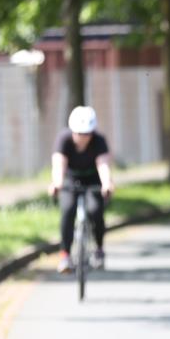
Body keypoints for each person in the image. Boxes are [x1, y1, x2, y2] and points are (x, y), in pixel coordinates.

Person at [49, 106, 114, 274]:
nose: (83, 138)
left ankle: (99, 249)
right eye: (79, 133)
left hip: (93, 180)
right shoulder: (63, 139)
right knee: (68, 209)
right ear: (72, 131)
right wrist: (57, 183)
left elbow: (103, 165)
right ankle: (65, 255)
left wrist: (107, 183)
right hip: (70, 179)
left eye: (87, 134)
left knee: (95, 210)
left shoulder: (99, 141)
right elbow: (59, 164)